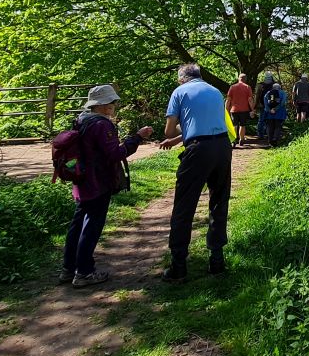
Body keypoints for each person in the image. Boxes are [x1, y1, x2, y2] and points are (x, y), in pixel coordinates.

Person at [60, 84, 152, 288]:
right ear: (102, 105)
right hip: (98, 180)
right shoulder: (102, 125)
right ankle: (84, 272)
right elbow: (115, 154)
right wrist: (137, 138)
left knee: (78, 223)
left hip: (82, 179)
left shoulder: (81, 119)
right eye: (112, 102)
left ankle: (69, 268)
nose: (114, 105)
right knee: (92, 225)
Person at [159, 64, 232, 281]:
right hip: (222, 148)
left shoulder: (179, 92)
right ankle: (217, 260)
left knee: (184, 205)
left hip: (197, 151)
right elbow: (208, 123)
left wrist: (177, 133)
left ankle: (178, 265)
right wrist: (180, 137)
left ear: (182, 79)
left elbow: (169, 130)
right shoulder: (215, 91)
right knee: (219, 202)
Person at [225, 74, 253, 147]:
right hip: (244, 109)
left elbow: (228, 100)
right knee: (242, 125)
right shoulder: (247, 87)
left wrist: (226, 109)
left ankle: (234, 140)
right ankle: (241, 139)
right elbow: (250, 100)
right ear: (245, 79)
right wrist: (252, 109)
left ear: (238, 78)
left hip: (234, 110)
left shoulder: (232, 87)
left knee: (234, 125)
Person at [253, 72, 275, 140]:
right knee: (270, 120)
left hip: (262, 105)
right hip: (271, 106)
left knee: (261, 120)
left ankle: (260, 135)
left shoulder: (260, 85)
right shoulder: (274, 84)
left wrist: (255, 106)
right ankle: (269, 134)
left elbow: (257, 96)